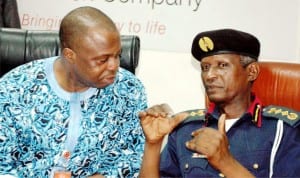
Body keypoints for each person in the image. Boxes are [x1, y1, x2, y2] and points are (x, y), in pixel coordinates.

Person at [0, 6, 147, 178]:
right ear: (70, 55)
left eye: (117, 56)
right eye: (102, 60)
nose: (114, 66)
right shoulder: (13, 89)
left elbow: (133, 157)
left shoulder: (129, 89)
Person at [139, 29, 300, 177]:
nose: (209, 75)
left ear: (251, 72)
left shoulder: (283, 129)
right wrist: (153, 144)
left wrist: (226, 163)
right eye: (205, 67)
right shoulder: (185, 128)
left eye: (222, 65)